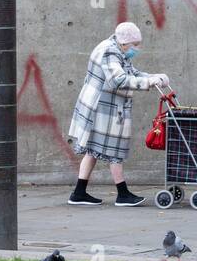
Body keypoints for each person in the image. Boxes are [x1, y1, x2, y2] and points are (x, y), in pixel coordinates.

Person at [66, 21, 170, 206]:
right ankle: (122, 194)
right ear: (124, 42)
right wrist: (149, 82)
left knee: (93, 150)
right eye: (135, 45)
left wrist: (153, 78)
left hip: (100, 105)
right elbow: (119, 80)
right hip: (103, 107)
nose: (137, 49)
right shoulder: (110, 52)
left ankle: (78, 193)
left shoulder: (117, 49)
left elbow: (132, 72)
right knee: (114, 150)